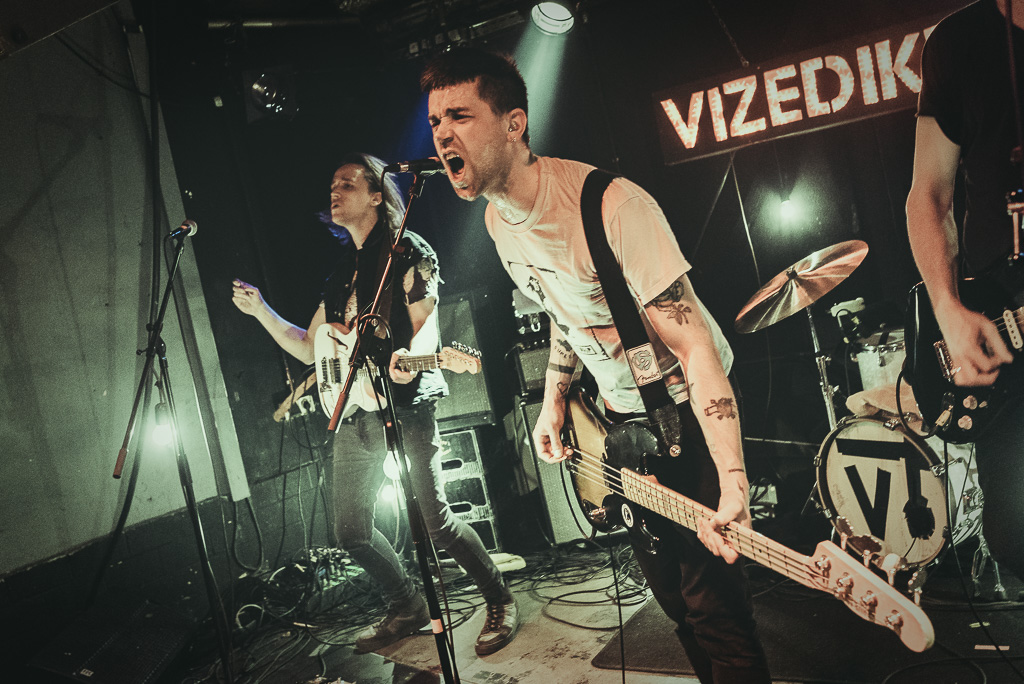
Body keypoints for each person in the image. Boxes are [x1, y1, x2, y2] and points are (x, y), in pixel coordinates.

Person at [421, 49, 771, 683]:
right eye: (434, 122)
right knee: (673, 603)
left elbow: (694, 348)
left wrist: (733, 483)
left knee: (714, 609)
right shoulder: (499, 222)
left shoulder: (612, 208)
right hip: (624, 421)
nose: (442, 134)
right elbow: (565, 308)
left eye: (459, 116)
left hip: (686, 409)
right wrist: (554, 398)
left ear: (514, 124)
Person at [231, 152, 518, 655]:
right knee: (350, 531)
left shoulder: (408, 251)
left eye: (347, 183)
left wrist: (413, 359)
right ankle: (408, 605)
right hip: (353, 413)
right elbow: (311, 345)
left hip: (405, 406)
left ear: (376, 195)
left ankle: (499, 598)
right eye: (332, 185)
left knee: (435, 522)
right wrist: (261, 312)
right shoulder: (344, 270)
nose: (334, 192)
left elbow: (426, 328)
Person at [906, 0, 1024, 580]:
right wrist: (948, 308)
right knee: (1015, 534)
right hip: (1008, 322)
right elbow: (928, 194)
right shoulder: (958, 42)